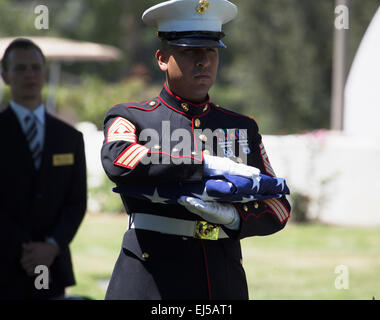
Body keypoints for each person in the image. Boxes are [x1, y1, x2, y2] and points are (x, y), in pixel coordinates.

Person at [101, 0, 291, 300]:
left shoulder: (241, 127)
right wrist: (201, 165)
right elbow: (119, 159)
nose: (203, 61)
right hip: (150, 280)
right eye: (190, 52)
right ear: (162, 58)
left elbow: (278, 207)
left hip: (220, 278)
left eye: (211, 52)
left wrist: (234, 218)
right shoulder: (133, 117)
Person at [0, 38, 87, 300]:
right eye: (20, 68)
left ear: (44, 73)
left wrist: (51, 246)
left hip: (52, 267)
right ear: (5, 76)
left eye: (35, 67)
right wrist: (25, 250)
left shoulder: (70, 137)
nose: (29, 74)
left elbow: (76, 202)